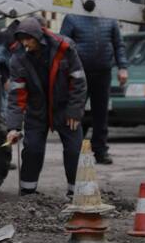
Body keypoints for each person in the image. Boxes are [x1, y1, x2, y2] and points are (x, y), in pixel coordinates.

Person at [5, 16, 88, 198]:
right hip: (37, 110)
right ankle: (28, 192)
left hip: (65, 108)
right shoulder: (18, 58)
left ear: (38, 36)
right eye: (22, 40)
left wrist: (75, 111)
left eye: (28, 39)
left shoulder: (64, 48)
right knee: (32, 149)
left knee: (74, 149)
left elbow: (79, 81)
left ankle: (76, 193)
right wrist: (13, 127)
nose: (25, 44)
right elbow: (16, 95)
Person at [60, 0, 129, 164]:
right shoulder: (72, 18)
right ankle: (75, 150)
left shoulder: (109, 19)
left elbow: (118, 44)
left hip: (103, 73)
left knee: (101, 114)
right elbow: (63, 47)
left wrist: (122, 67)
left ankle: (100, 151)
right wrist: (64, 72)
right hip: (79, 75)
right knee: (76, 111)